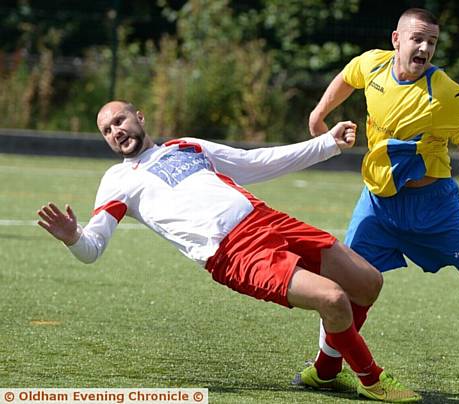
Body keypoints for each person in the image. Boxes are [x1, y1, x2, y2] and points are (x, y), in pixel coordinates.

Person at [36, 100, 421, 403]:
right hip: (234, 253)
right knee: (333, 299)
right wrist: (73, 236)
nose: (116, 131)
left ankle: (323, 371)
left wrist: (326, 143)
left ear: (139, 116)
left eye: (119, 120)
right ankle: (371, 380)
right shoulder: (118, 181)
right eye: (107, 130)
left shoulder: (185, 145)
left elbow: (253, 162)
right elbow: (92, 249)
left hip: (266, 219)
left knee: (367, 282)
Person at [297, 7, 459, 390]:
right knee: (348, 285)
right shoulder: (373, 66)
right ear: (397, 40)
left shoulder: (444, 92)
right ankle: (326, 369)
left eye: (431, 42)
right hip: (379, 202)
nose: (425, 48)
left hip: (434, 206)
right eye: (418, 39)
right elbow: (348, 77)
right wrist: (319, 117)